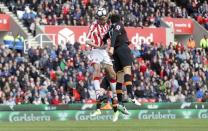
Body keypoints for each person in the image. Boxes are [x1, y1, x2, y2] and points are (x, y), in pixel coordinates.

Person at [103, 13, 141, 119]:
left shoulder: (110, 28)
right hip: (123, 49)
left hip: (116, 54)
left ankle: (120, 103)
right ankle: (131, 96)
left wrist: (104, 47)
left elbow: (105, 37)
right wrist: (111, 47)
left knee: (119, 77)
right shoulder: (118, 25)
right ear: (119, 19)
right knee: (127, 70)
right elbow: (115, 34)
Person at [85, 7, 118, 121]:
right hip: (95, 51)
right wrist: (98, 46)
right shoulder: (93, 26)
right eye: (101, 19)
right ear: (98, 18)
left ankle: (115, 97)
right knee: (97, 69)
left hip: (103, 51)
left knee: (112, 74)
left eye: (104, 18)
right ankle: (98, 94)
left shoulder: (107, 24)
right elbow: (87, 41)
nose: (103, 20)